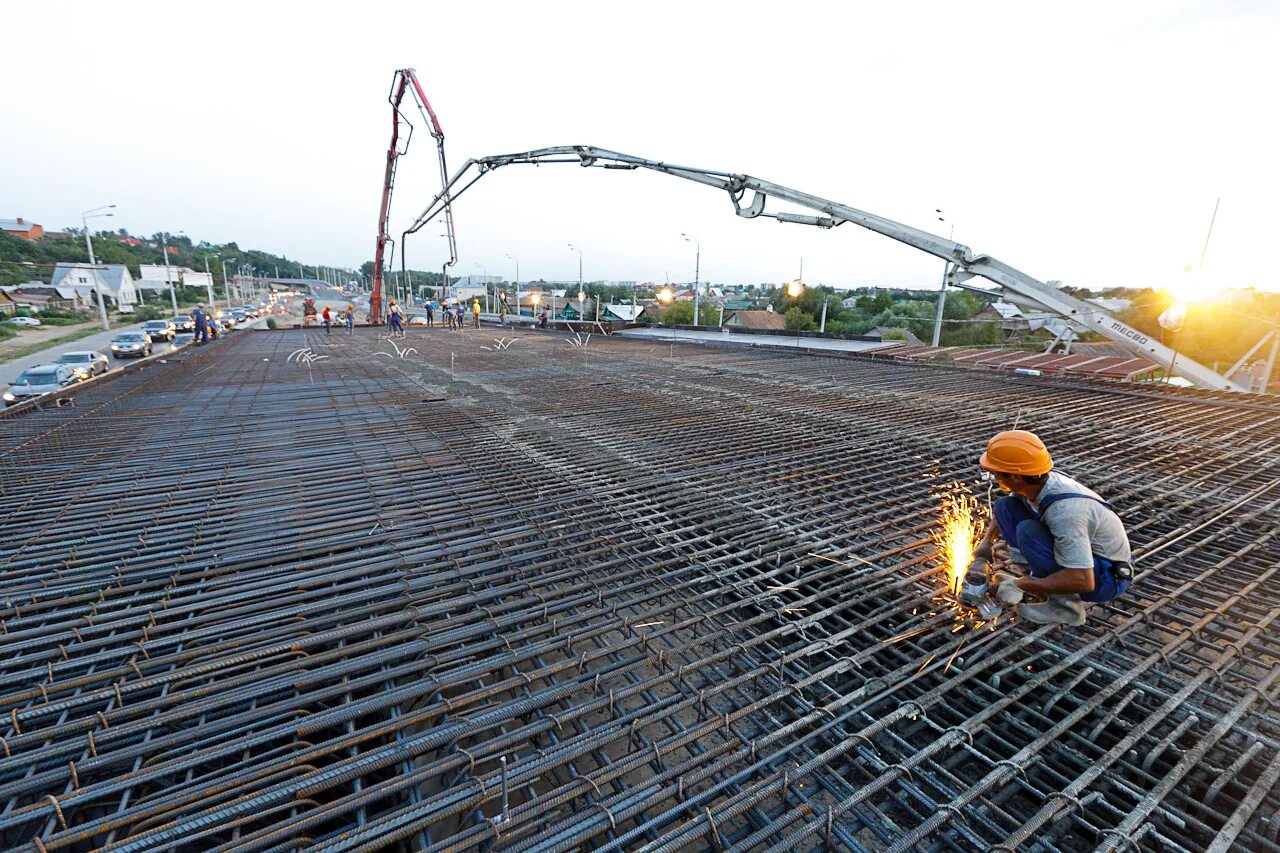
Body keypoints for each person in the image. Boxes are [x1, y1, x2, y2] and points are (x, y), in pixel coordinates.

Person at [970, 430, 1133, 625]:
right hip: (1087, 562)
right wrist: (987, 542)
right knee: (1006, 507)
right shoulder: (1033, 482)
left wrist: (1019, 585)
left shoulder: (1066, 513)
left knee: (1028, 532)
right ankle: (1037, 581)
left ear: (1015, 477)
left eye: (995, 472)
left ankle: (1066, 607)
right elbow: (1004, 513)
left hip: (1105, 577)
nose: (993, 477)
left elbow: (1083, 580)